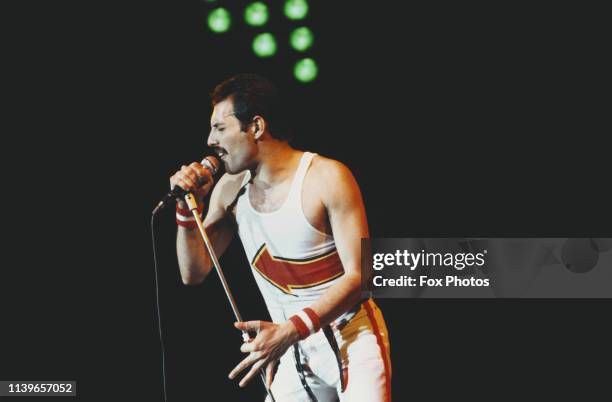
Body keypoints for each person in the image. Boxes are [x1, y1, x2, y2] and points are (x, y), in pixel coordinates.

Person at [170, 74, 391, 402]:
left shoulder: (327, 177)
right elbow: (193, 272)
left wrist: (289, 331)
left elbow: (361, 276)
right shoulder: (229, 191)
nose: (209, 141)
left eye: (219, 128)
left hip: (352, 342)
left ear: (256, 127)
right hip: (291, 351)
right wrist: (188, 211)